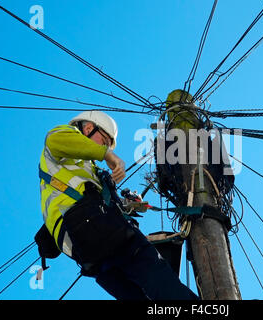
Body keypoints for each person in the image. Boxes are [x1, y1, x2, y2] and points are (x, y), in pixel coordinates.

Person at [38, 110, 198, 300]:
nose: (106, 147)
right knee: (156, 273)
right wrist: (108, 155)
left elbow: (89, 195)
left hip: (85, 248)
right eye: (104, 140)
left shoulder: (84, 170)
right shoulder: (61, 136)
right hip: (95, 228)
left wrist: (126, 204)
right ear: (88, 128)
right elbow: (58, 140)